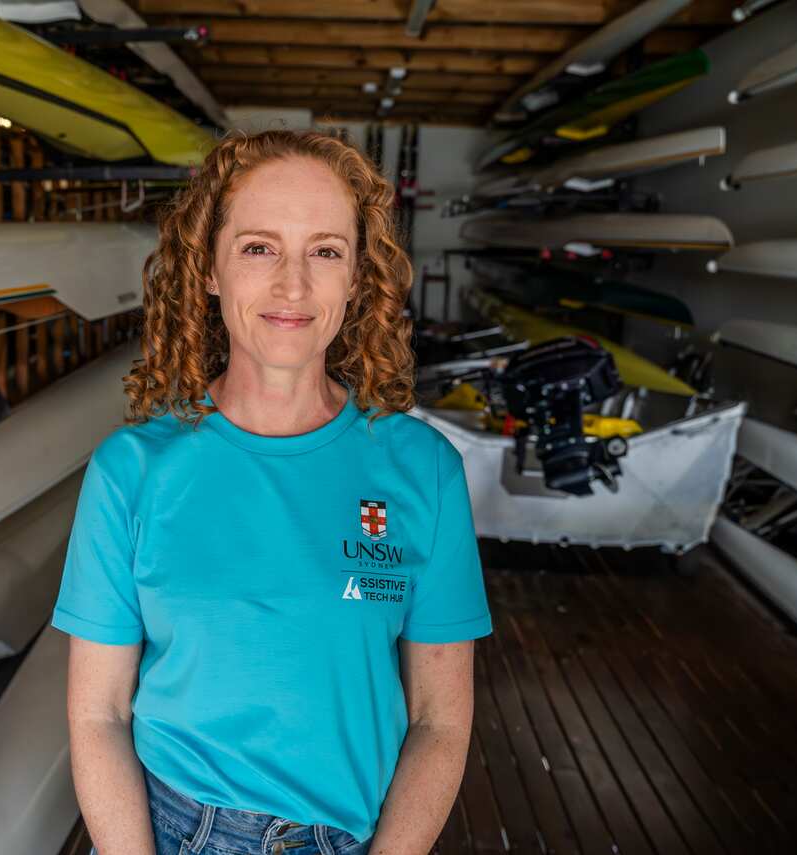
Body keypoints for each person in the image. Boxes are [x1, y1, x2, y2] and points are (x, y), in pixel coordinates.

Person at [49, 128, 492, 855]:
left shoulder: (424, 471)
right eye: (260, 247)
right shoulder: (132, 470)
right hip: (170, 832)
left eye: (325, 251)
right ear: (211, 269)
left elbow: (440, 721)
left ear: (357, 277)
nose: (294, 285)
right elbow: (98, 713)